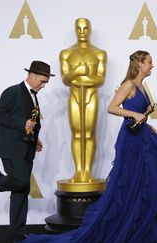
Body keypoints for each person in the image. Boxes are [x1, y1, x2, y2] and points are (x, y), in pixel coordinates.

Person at [21, 50, 157, 243]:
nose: (152, 65)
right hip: (131, 141)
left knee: (143, 183)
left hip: (142, 138)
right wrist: (134, 115)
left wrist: (147, 125)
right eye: (150, 62)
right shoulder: (129, 84)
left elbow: (138, 113)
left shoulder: (141, 85)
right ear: (139, 64)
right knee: (130, 184)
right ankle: (124, 229)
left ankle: (138, 229)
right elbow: (112, 107)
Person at [0, 60, 54, 242]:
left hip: (27, 146)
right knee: (21, 181)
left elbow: (32, 122)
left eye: (46, 83)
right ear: (31, 75)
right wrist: (21, 123)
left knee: (22, 188)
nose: (43, 86)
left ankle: (17, 232)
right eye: (42, 81)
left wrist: (35, 138)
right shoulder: (13, 91)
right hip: (10, 147)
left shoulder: (33, 95)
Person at [60, 17, 107, 183]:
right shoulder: (66, 53)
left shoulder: (99, 53)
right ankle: (78, 171)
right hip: (74, 96)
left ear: (90, 30)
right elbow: (66, 79)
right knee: (76, 133)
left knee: (88, 133)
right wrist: (78, 71)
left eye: (85, 28)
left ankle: (88, 171)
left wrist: (81, 80)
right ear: (74, 30)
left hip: (91, 96)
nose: (81, 32)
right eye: (78, 28)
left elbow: (100, 79)